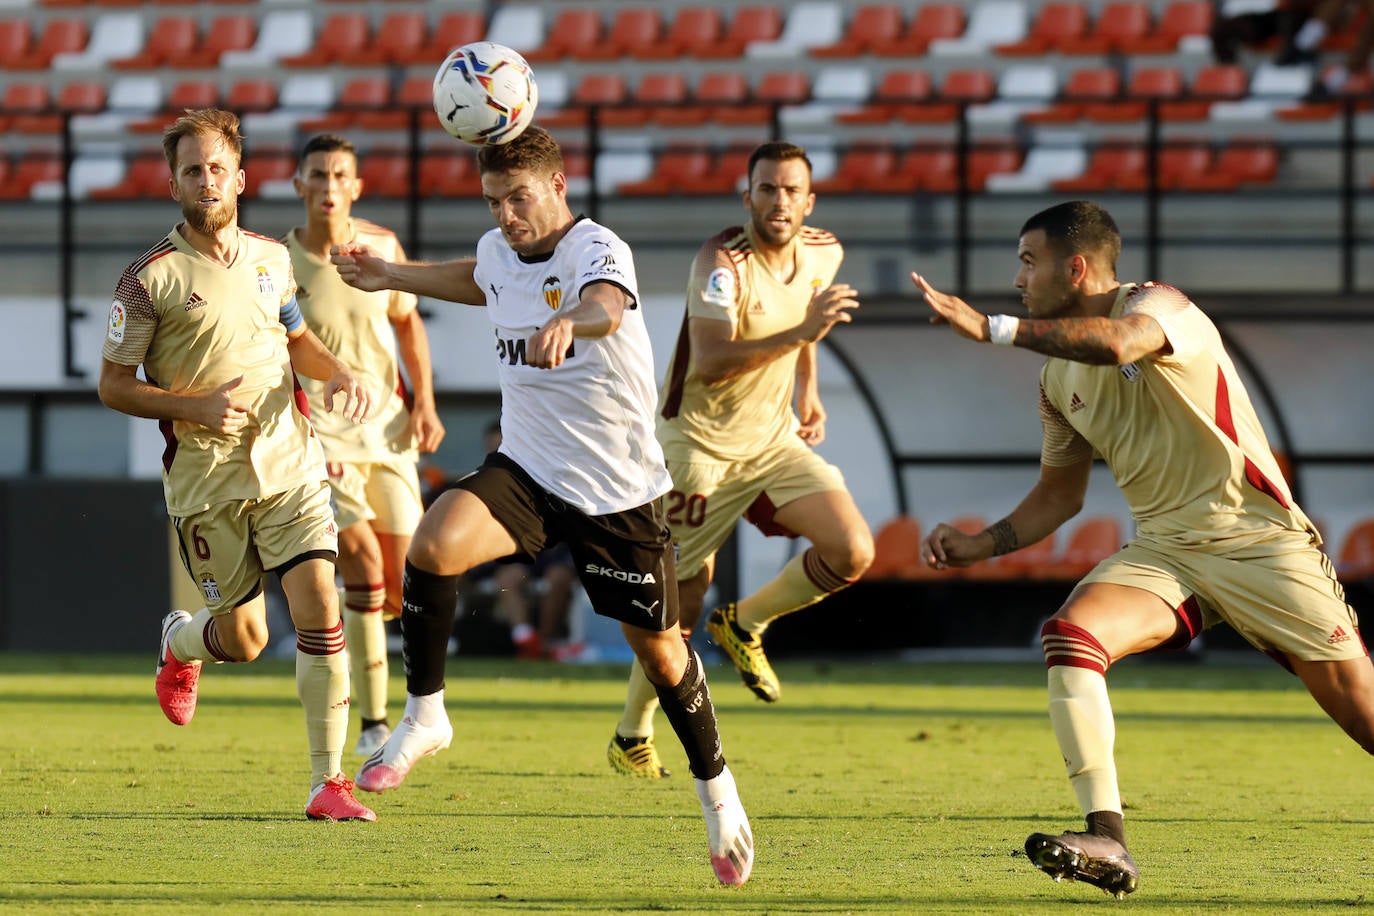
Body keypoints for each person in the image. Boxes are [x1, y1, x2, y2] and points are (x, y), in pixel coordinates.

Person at [329, 125, 755, 885]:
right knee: (432, 545)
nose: (506, 215)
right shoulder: (500, 249)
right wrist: (391, 273)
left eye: (519, 198)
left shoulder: (598, 249)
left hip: (617, 493)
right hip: (527, 470)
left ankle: (718, 795)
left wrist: (571, 321)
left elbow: (605, 309)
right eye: (494, 201)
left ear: (558, 186)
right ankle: (426, 715)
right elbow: (482, 277)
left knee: (660, 652)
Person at [912, 200, 1373, 898]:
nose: (1018, 279)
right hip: (1165, 551)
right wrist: (981, 545)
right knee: (1071, 636)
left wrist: (991, 329)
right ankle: (1108, 839)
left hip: (1258, 542)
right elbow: (1059, 497)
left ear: (1077, 267)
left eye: (1028, 262)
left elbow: (1121, 343)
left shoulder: (1162, 305)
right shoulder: (1054, 381)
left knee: (1363, 714)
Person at [97, 109, 376, 821]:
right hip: (206, 481)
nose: (207, 179)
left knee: (320, 601)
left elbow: (299, 342)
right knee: (246, 639)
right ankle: (181, 641)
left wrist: (336, 370)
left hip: (290, 463)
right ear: (174, 186)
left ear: (242, 178)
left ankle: (327, 782)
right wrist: (191, 408)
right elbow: (113, 386)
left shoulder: (270, 258)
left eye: (218, 167)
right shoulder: (147, 280)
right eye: (193, 170)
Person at [606, 141, 872, 780]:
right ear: (745, 195)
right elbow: (715, 359)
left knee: (852, 549)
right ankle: (632, 733)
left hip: (773, 441)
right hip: (697, 446)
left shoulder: (823, 250)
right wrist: (803, 335)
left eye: (791, 191)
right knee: (677, 601)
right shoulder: (721, 262)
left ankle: (743, 623)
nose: (779, 202)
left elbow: (808, 311)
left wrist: (807, 384)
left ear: (810, 201)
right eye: (767, 189)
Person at [285, 134, 446, 757]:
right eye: (318, 175)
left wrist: (426, 402)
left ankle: (397, 704)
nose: (328, 186)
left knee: (404, 578)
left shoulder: (380, 248)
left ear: (356, 186)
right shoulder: (276, 262)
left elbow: (408, 326)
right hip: (323, 438)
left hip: (388, 431)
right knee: (363, 565)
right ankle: (376, 723)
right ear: (299, 185)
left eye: (339, 175)